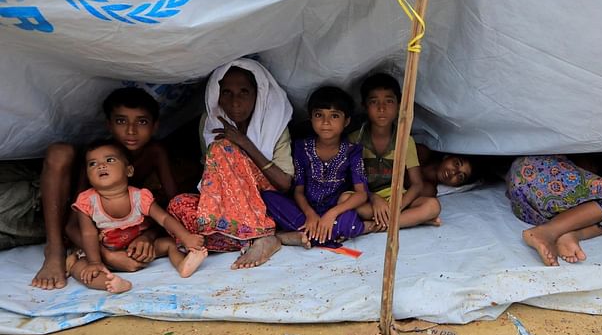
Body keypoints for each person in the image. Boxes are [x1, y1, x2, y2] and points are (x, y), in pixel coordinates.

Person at [31, 87, 178, 290]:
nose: (131, 130)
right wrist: (106, 256)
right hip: (89, 229)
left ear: (155, 126)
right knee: (59, 152)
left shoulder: (155, 152)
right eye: (121, 121)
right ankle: (55, 250)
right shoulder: (96, 158)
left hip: (127, 227)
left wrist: (148, 236)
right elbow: (74, 224)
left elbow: (173, 208)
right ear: (108, 125)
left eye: (142, 122)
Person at [167, 59, 300, 269]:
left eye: (244, 92)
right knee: (178, 205)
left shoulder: (275, 123)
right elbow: (215, 182)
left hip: (266, 204)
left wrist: (243, 143)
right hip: (230, 208)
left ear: (259, 94)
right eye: (226, 92)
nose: (235, 101)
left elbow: (284, 184)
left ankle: (261, 233)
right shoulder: (211, 122)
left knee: (222, 148)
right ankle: (265, 238)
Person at [68, 140, 207, 293]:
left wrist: (186, 237)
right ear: (88, 176)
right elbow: (88, 233)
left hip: (139, 251)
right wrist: (94, 261)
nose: (101, 165)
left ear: (129, 171)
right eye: (92, 164)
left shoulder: (140, 197)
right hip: (102, 255)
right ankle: (112, 284)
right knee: (80, 268)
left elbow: (164, 219)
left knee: (169, 244)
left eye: (110, 160)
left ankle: (183, 265)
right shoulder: (86, 201)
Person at [263, 86, 375, 245]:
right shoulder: (302, 147)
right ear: (310, 118)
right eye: (318, 115)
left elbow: (361, 194)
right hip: (305, 210)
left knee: (348, 222)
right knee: (269, 197)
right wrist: (310, 215)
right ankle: (324, 232)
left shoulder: (352, 151)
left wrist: (332, 214)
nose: (325, 122)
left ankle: (302, 235)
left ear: (347, 121)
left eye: (334, 116)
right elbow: (299, 191)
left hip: (337, 211)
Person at [506, 155, 602, 267]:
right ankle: (548, 231)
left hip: (524, 204)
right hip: (535, 173)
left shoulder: (567, 200)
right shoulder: (561, 169)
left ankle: (571, 234)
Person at [349, 73, 441, 229]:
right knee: (346, 200)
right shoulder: (354, 139)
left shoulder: (405, 140)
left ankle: (373, 226)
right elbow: (349, 183)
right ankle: (404, 221)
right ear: (364, 106)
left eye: (389, 101)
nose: (382, 108)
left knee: (433, 206)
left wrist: (397, 206)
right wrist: (374, 199)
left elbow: (417, 184)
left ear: (399, 105)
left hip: (396, 197)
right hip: (366, 198)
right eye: (374, 102)